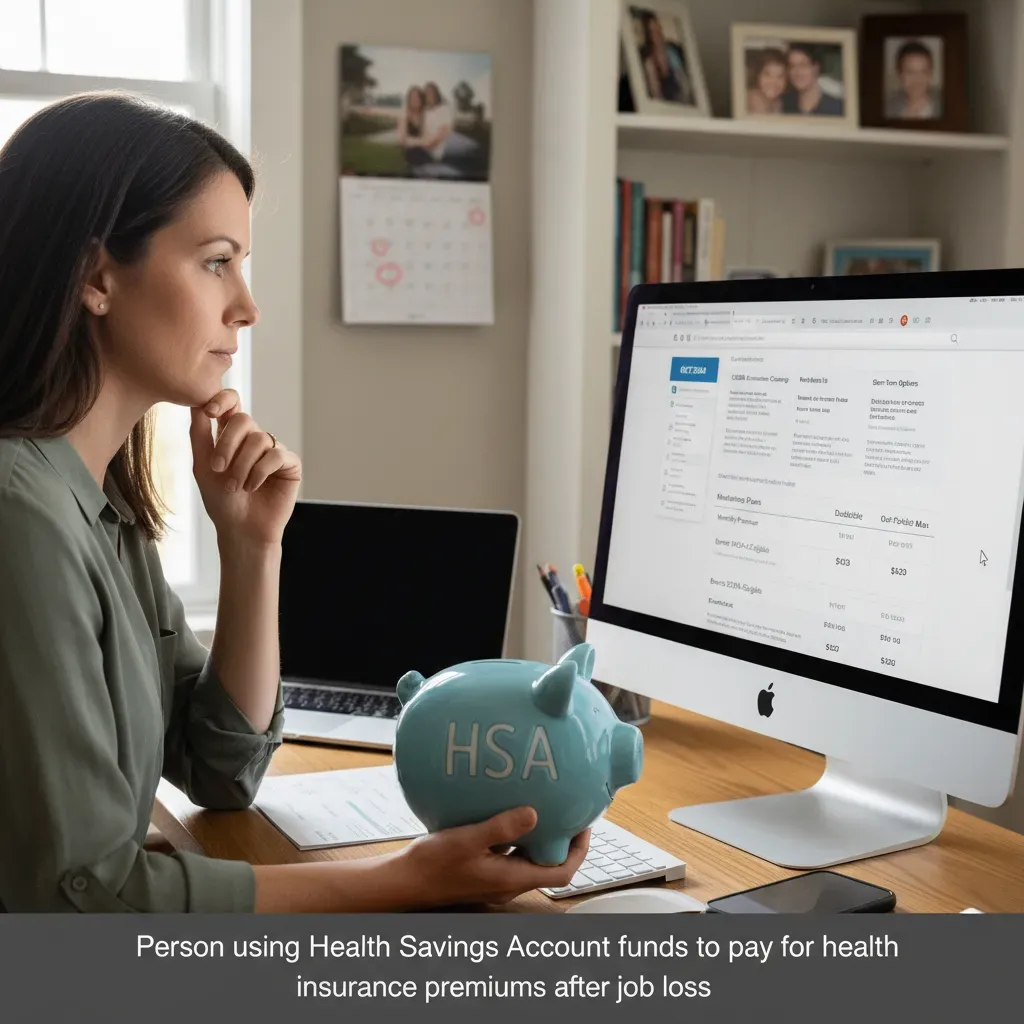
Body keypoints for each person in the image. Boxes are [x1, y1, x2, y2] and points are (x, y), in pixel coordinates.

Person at [0, 93, 589, 913]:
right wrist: (402, 881)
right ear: (97, 276)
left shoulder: (100, 508)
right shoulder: (21, 517)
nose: (247, 305)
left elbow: (221, 769)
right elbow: (79, 908)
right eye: (215, 261)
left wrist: (251, 550)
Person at [639, 12, 694, 105]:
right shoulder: (649, 62)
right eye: (653, 32)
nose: (658, 35)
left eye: (658, 29)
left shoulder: (671, 51)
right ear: (649, 35)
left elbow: (683, 81)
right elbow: (656, 96)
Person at [782, 43, 844, 116]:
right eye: (792, 66)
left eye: (803, 65)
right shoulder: (784, 105)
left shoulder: (837, 108)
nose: (797, 72)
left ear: (815, 68)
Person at [886, 40, 942, 119]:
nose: (917, 80)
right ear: (900, 75)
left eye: (923, 72)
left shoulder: (943, 109)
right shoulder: (888, 108)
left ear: (930, 75)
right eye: (910, 72)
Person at [397, 84, 432, 173]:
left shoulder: (426, 116)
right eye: (412, 97)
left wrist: (410, 141)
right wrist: (422, 141)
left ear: (422, 100)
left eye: (417, 97)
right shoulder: (403, 116)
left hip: (428, 159)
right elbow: (401, 141)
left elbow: (429, 142)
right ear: (408, 100)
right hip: (411, 161)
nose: (415, 100)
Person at [422, 81, 455, 163]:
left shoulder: (444, 109)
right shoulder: (423, 112)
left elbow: (446, 131)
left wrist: (432, 145)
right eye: (425, 92)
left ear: (436, 94)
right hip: (424, 146)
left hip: (436, 148)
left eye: (430, 92)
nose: (428, 95)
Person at [746, 48, 787, 114]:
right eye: (767, 75)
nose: (773, 82)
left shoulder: (780, 102)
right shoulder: (754, 99)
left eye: (780, 76)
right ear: (758, 76)